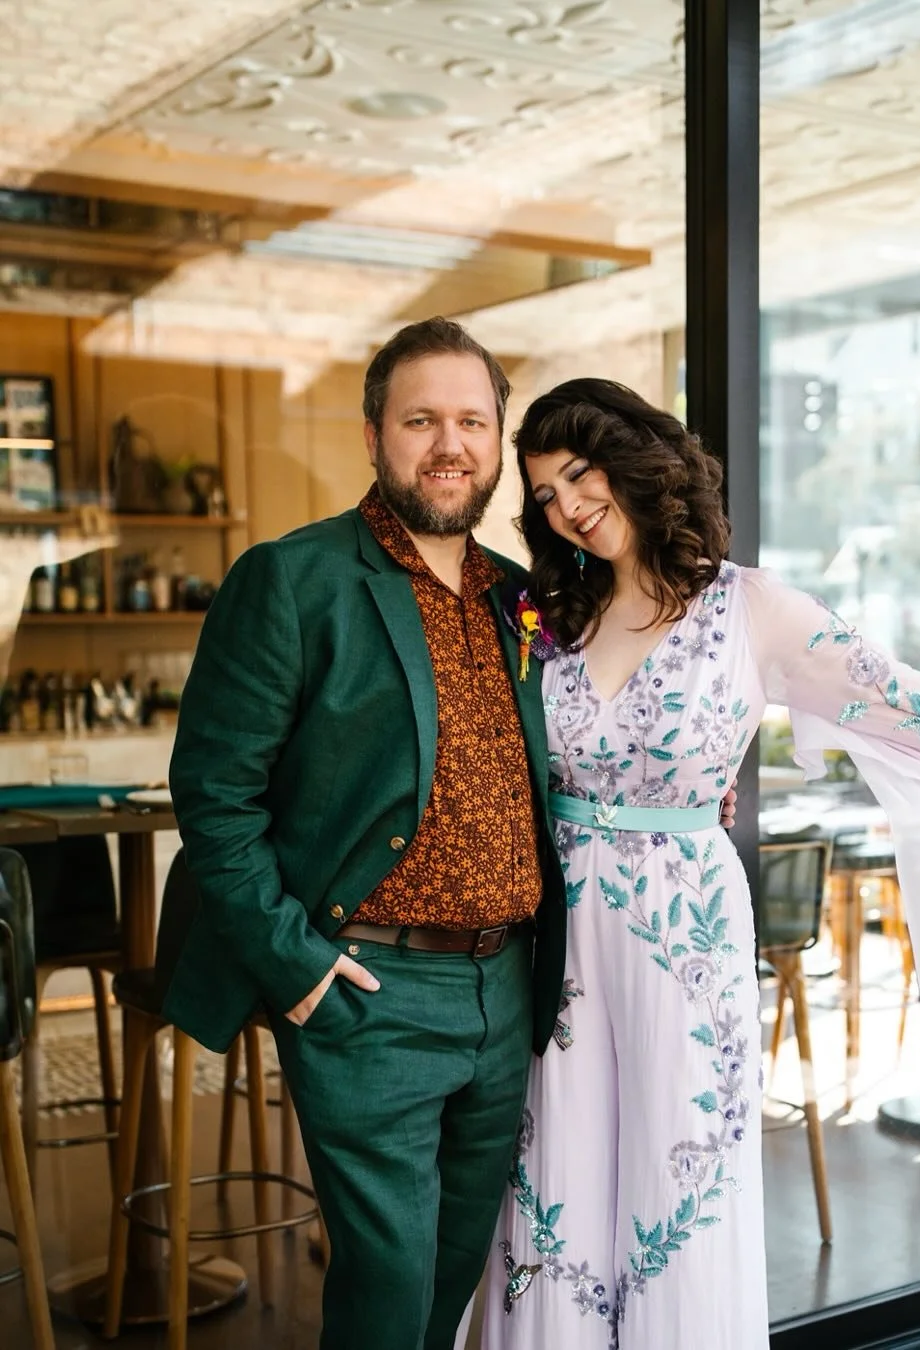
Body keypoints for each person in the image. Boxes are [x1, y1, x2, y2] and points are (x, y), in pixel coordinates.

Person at [481, 377, 920, 1350]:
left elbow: (915, 705)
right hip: (562, 944)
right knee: (559, 1180)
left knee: (681, 1191)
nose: (569, 508)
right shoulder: (553, 620)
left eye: (580, 475)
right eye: (546, 495)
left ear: (636, 459)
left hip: (687, 939)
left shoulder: (750, 609)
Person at [164, 318, 572, 1350]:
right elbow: (215, 795)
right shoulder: (294, 581)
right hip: (369, 991)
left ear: (497, 437)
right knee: (389, 1289)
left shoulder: (521, 597)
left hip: (506, 989)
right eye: (422, 419)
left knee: (450, 1274)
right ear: (373, 434)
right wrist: (295, 964)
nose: (450, 443)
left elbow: (572, 757)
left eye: (472, 420)